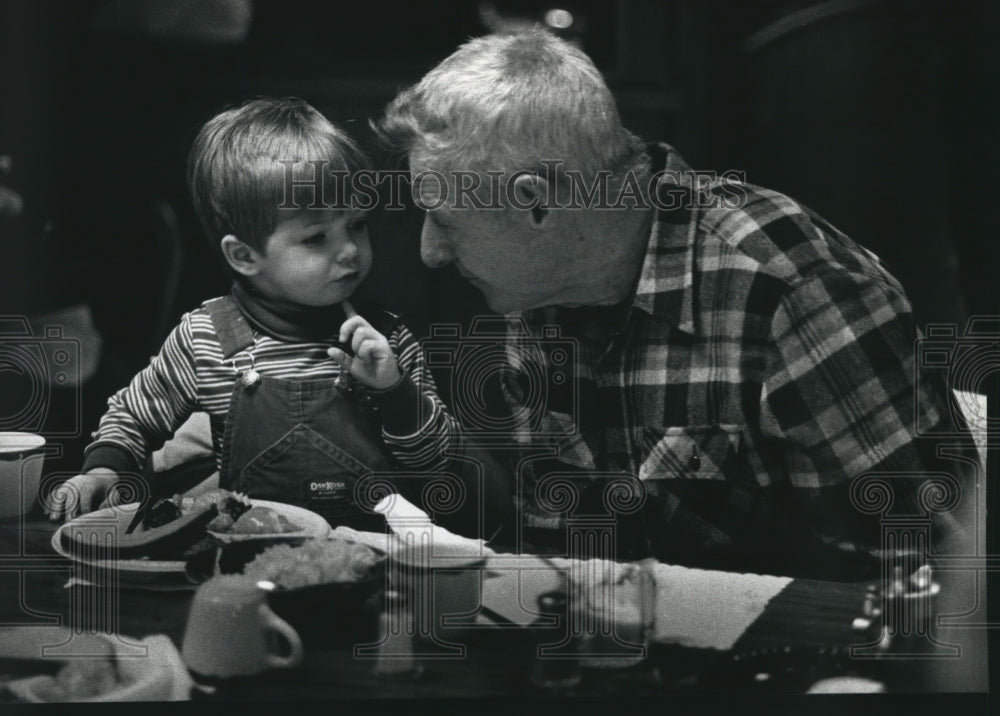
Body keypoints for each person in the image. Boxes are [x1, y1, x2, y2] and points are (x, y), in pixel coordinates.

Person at [374, 29, 979, 578]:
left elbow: (939, 579)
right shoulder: (538, 287)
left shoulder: (794, 290)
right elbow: (567, 544)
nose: (430, 252)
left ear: (536, 204)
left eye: (446, 221)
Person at [49, 97, 459, 530]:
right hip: (243, 554)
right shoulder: (206, 337)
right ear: (244, 256)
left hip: (371, 561)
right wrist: (102, 470)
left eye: (357, 224)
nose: (351, 251)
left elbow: (443, 467)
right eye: (317, 237)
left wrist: (395, 394)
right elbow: (132, 417)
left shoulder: (385, 340)